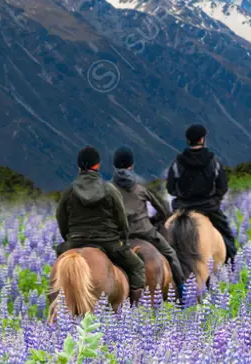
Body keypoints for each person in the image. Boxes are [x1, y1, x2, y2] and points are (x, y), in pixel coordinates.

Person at [56, 147, 146, 303]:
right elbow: (121, 218)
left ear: (79, 167)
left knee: (59, 265)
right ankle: (134, 310)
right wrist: (123, 239)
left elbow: (60, 217)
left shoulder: (69, 191)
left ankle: (56, 306)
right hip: (108, 242)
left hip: (76, 240)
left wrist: (68, 238)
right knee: (137, 266)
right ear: (97, 165)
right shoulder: (109, 189)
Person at [111, 147, 187, 301]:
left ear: (115, 166)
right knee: (171, 255)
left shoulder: (109, 189)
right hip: (145, 232)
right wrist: (151, 221)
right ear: (131, 166)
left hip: (119, 236)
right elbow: (164, 211)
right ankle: (183, 292)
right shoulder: (141, 188)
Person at [166, 124, 237, 263]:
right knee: (227, 237)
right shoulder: (213, 162)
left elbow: (170, 188)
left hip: (183, 208)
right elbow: (222, 187)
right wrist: (215, 199)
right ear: (202, 139)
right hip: (208, 208)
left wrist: (182, 195)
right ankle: (232, 265)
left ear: (188, 140)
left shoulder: (177, 163)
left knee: (162, 235)